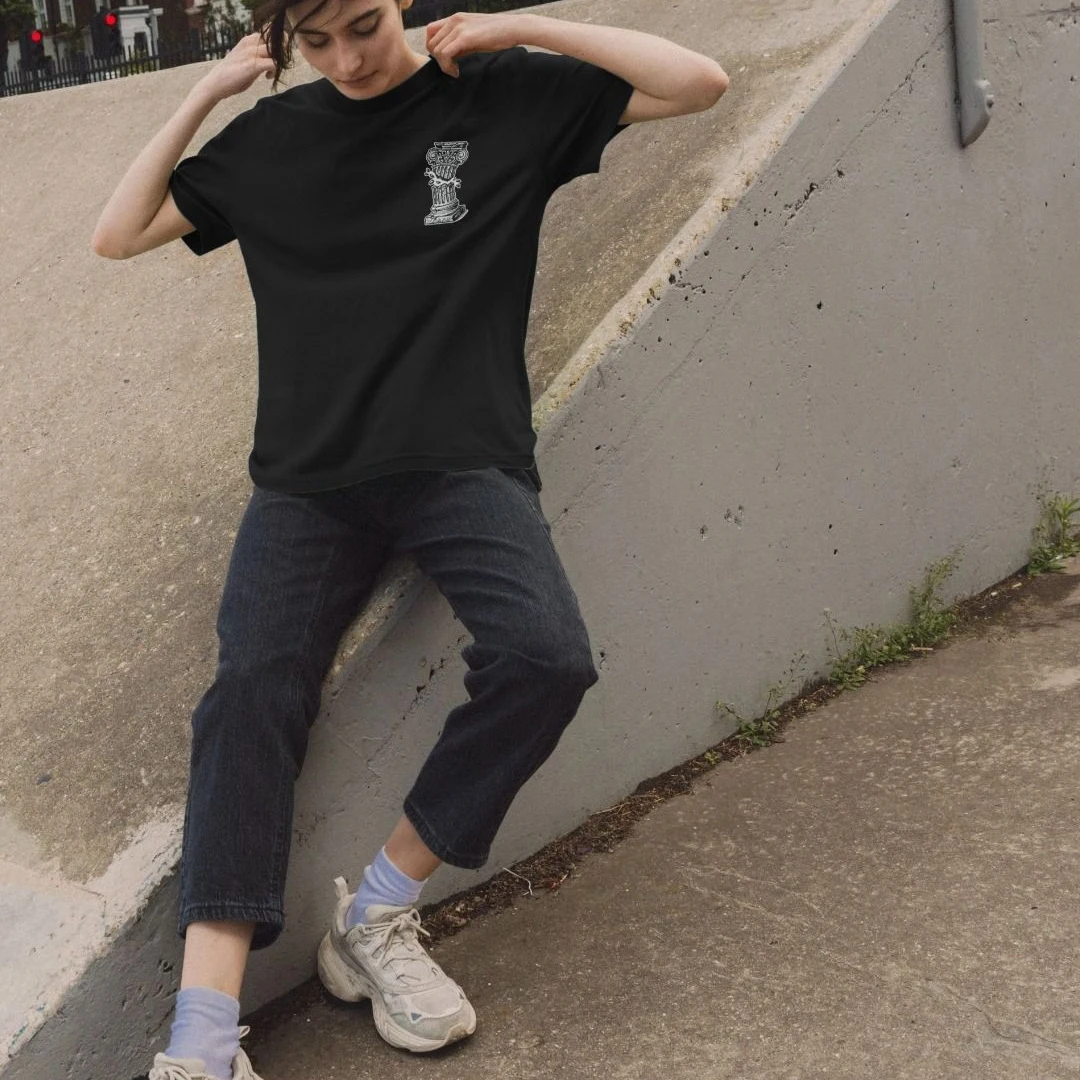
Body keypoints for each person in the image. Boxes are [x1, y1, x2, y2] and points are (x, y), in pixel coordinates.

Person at [91, 3, 728, 1077]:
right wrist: (206, 91)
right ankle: (200, 1037)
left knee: (546, 657)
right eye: (317, 42)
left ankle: (378, 913)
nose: (346, 60)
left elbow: (700, 82)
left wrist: (524, 26)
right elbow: (118, 231)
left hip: (462, 464)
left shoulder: (500, 98)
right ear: (287, 41)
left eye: (363, 26)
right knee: (250, 692)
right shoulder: (273, 140)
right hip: (308, 485)